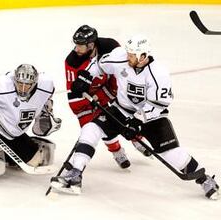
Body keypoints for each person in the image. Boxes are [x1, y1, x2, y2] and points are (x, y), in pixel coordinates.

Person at [51, 34, 219, 199]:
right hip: (121, 109)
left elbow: (160, 104)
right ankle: (75, 174)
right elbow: (99, 65)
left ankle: (205, 180)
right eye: (128, 52)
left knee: (171, 153)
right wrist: (85, 77)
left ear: (143, 56)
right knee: (90, 129)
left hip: (152, 117)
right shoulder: (120, 57)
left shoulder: (159, 73)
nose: (128, 56)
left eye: (132, 54)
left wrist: (137, 122)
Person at [64, 25, 150, 170]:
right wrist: (88, 101)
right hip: (85, 99)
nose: (76, 49)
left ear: (91, 45)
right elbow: (73, 92)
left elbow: (121, 71)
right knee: (98, 126)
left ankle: (137, 139)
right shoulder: (73, 61)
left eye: (80, 46)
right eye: (76, 45)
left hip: (111, 87)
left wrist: (105, 94)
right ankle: (117, 151)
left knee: (121, 116)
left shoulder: (110, 47)